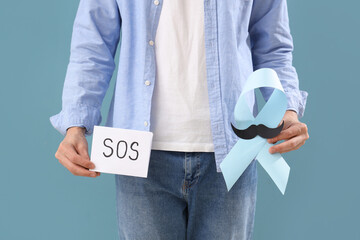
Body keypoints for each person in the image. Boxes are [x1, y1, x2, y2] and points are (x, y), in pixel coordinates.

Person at [50, 0, 309, 239]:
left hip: (232, 151)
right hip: (139, 155)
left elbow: (274, 47)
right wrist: (76, 123)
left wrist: (287, 108)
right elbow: (92, 43)